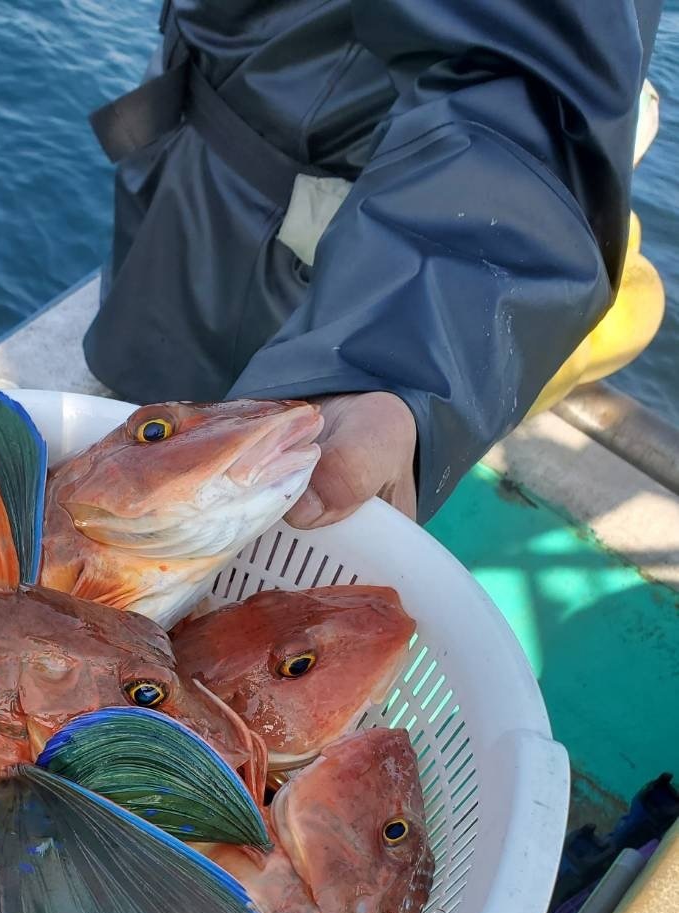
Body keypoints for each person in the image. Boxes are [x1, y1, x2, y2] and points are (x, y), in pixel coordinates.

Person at [83, 0, 662, 528]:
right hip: (180, 168)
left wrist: (382, 363)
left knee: (252, 485)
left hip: (296, 261)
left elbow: (526, 88)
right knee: (142, 419)